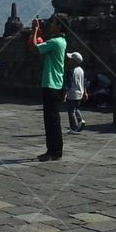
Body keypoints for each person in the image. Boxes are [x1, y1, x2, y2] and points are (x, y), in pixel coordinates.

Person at [29, 14, 67, 161]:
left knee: (51, 120)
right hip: (56, 83)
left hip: (51, 83)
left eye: (53, 23)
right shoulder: (61, 41)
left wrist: (34, 31)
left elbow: (34, 48)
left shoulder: (55, 42)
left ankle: (54, 151)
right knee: (53, 119)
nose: (51, 25)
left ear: (59, 26)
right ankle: (54, 150)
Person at [64, 52, 86, 133]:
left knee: (71, 111)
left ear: (74, 61)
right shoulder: (81, 70)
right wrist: (85, 93)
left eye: (70, 59)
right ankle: (80, 120)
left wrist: (65, 93)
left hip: (72, 93)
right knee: (76, 108)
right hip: (80, 92)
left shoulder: (71, 70)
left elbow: (68, 83)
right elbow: (84, 82)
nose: (68, 60)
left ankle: (74, 128)